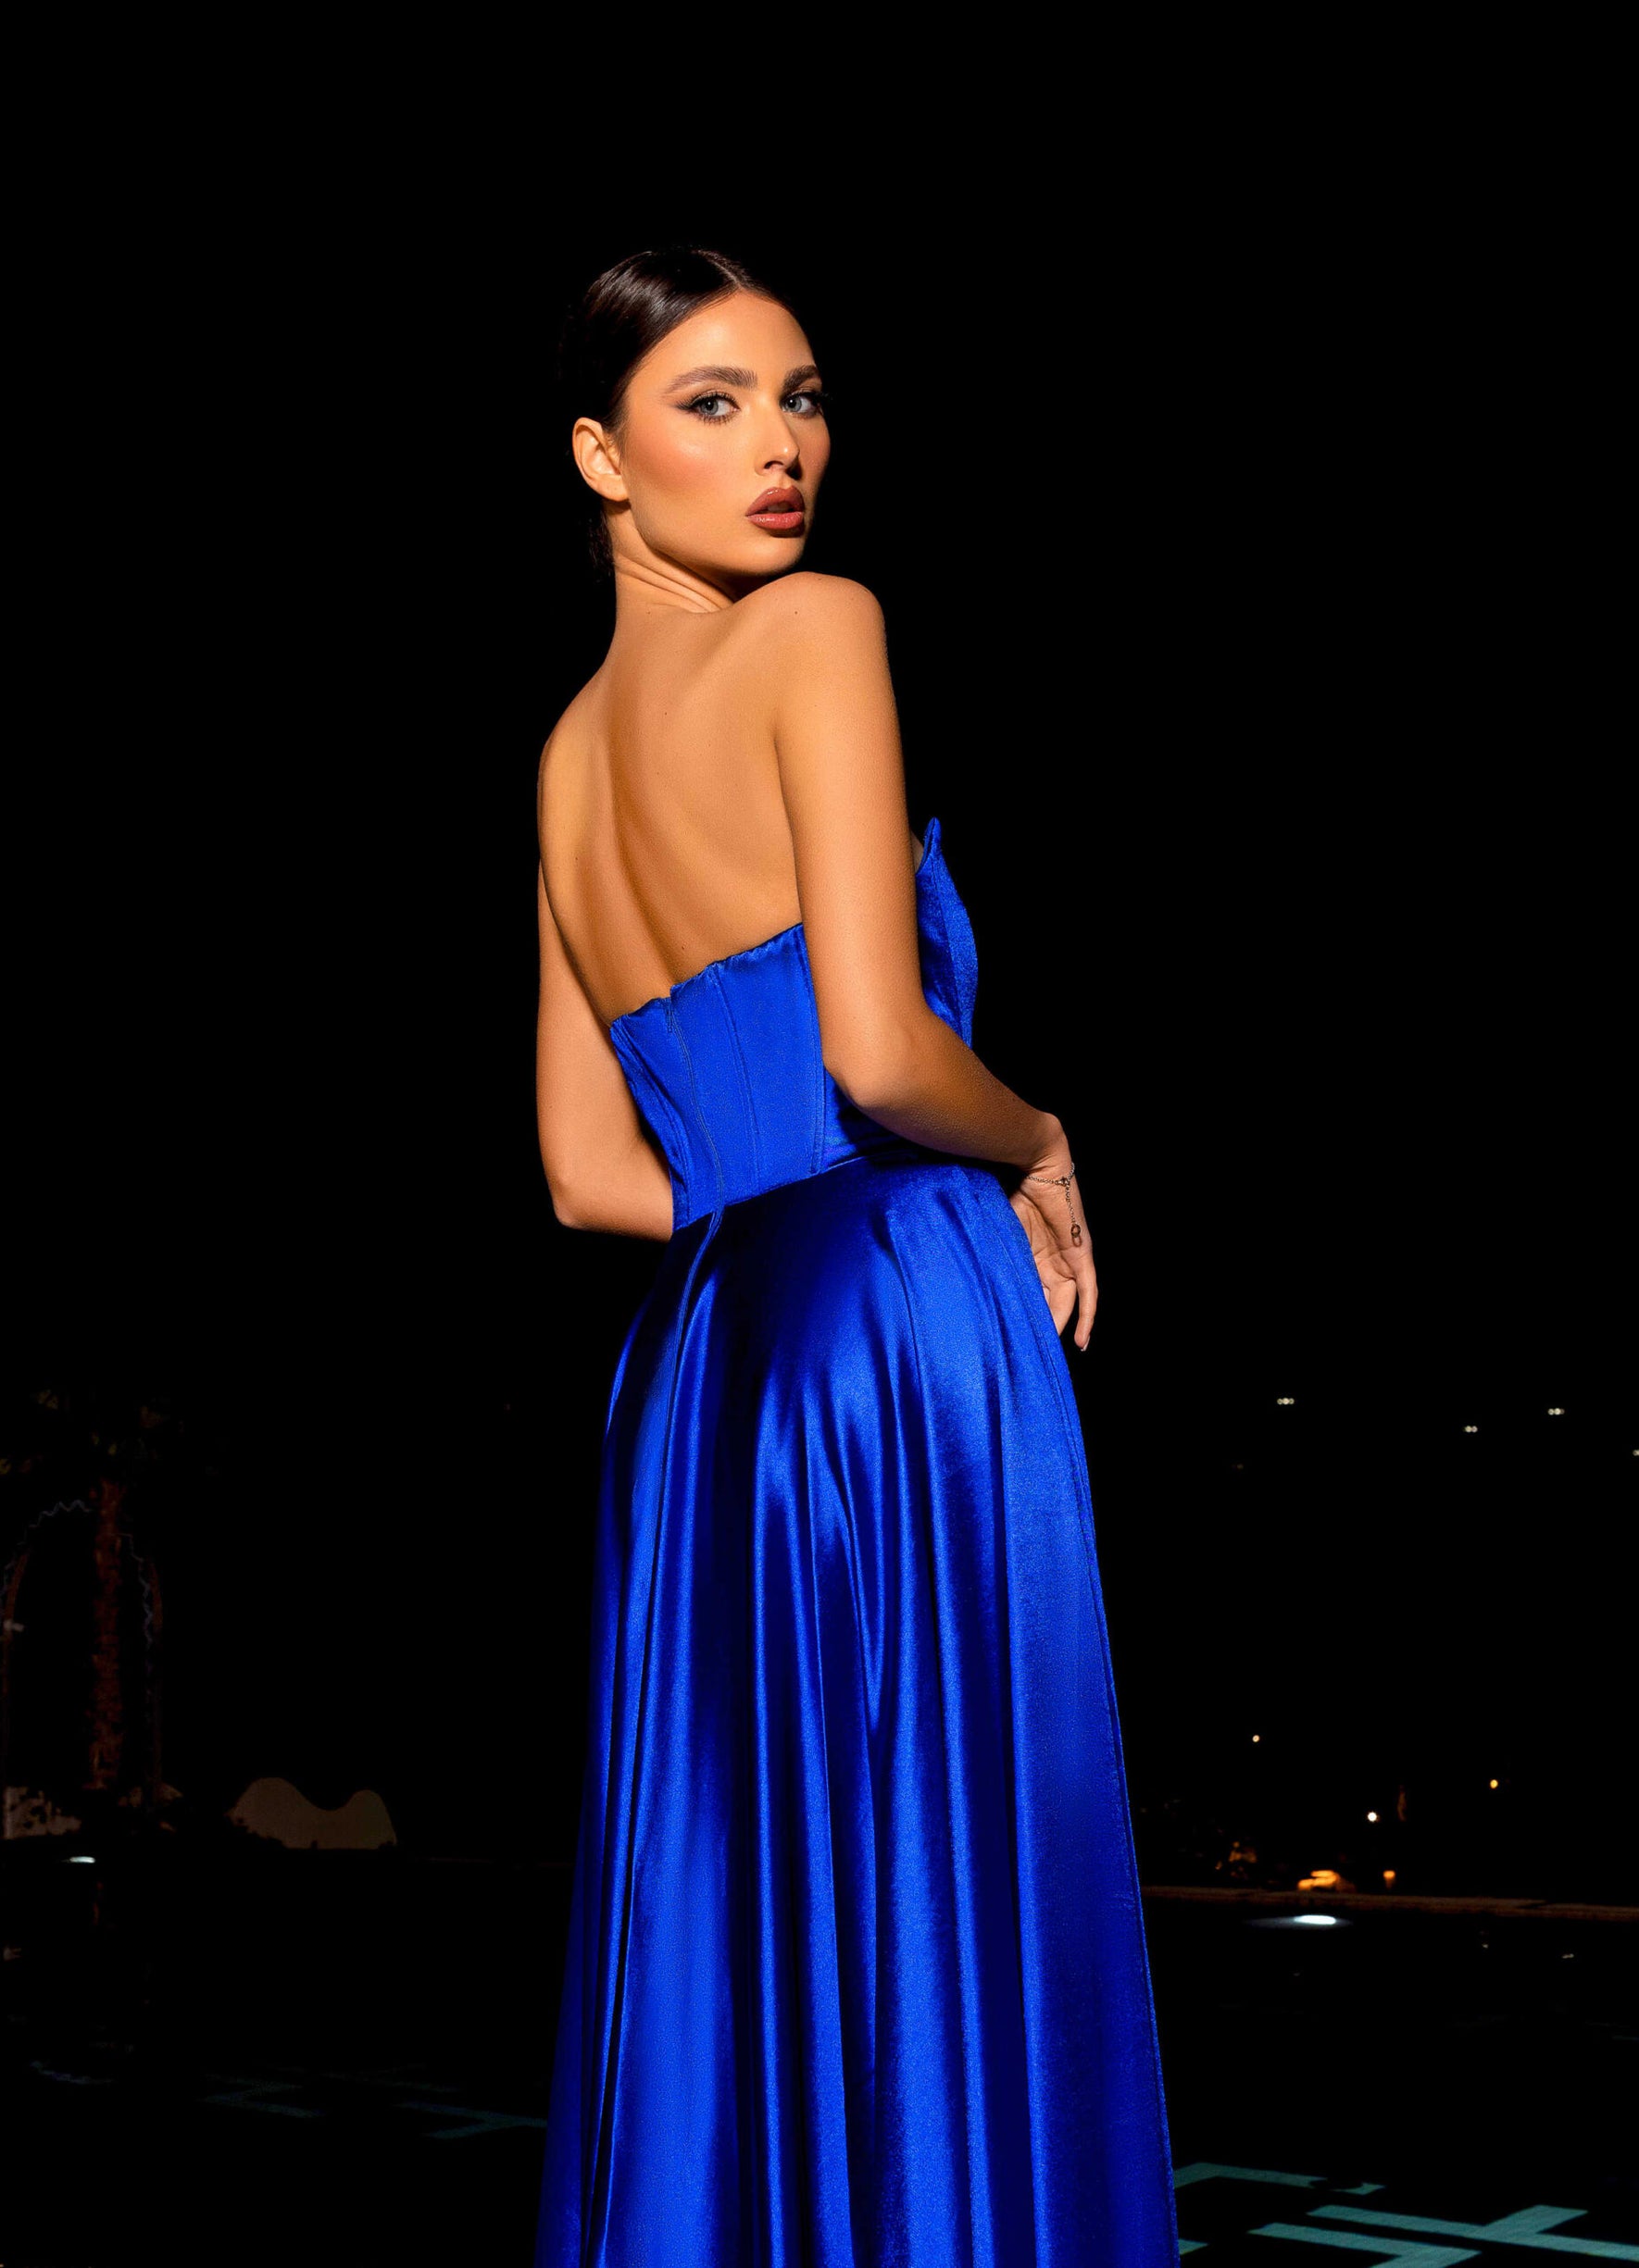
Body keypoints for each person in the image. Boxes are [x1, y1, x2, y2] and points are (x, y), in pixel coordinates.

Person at [532, 244, 1179, 2267]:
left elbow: (585, 1178)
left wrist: (761, 1214)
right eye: (713, 403)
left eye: (801, 396)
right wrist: (1040, 1142)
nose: (782, 445)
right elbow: (882, 1051)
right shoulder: (820, 629)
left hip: (702, 1359)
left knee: (736, 1882)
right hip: (890, 1303)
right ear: (601, 456)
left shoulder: (564, 760)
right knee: (939, 1860)